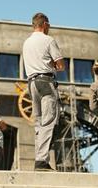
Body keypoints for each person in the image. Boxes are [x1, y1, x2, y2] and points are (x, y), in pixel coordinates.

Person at [22, 12, 65, 171]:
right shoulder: (48, 40)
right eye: (49, 25)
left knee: (39, 122)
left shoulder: (26, 42)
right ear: (45, 24)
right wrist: (54, 65)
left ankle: (39, 158)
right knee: (48, 121)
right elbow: (60, 65)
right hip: (46, 81)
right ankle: (41, 160)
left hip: (31, 83)